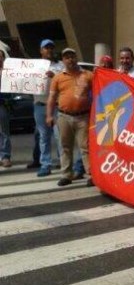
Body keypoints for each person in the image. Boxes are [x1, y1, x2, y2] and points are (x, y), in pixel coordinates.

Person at [46, 48, 94, 187]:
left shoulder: (88, 75)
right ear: (63, 60)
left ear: (76, 58)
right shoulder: (58, 77)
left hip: (83, 117)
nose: (70, 60)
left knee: (85, 147)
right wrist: (49, 116)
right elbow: (51, 98)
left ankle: (91, 175)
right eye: (67, 57)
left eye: (72, 57)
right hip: (63, 117)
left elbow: (100, 90)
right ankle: (66, 175)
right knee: (65, 146)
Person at [33, 39, 64, 177]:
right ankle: (45, 164)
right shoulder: (33, 66)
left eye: (51, 47)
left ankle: (64, 162)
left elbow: (66, 81)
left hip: (57, 106)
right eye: (46, 48)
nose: (49, 50)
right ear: (41, 51)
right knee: (43, 137)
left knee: (60, 136)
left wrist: (55, 76)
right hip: (40, 106)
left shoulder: (60, 66)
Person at [0, 49, 12, 167]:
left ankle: (5, 156)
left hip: (2, 104)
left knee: (4, 132)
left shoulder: (9, 73)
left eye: (1, 56)